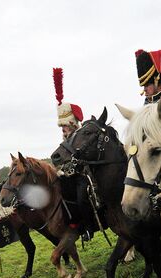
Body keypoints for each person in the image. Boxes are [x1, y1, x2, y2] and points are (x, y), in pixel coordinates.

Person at [52, 68, 97, 241]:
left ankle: (89, 227)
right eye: (61, 126)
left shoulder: (79, 137)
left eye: (64, 125)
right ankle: (73, 223)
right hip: (69, 176)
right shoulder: (64, 140)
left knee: (81, 198)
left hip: (85, 173)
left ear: (71, 124)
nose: (63, 129)